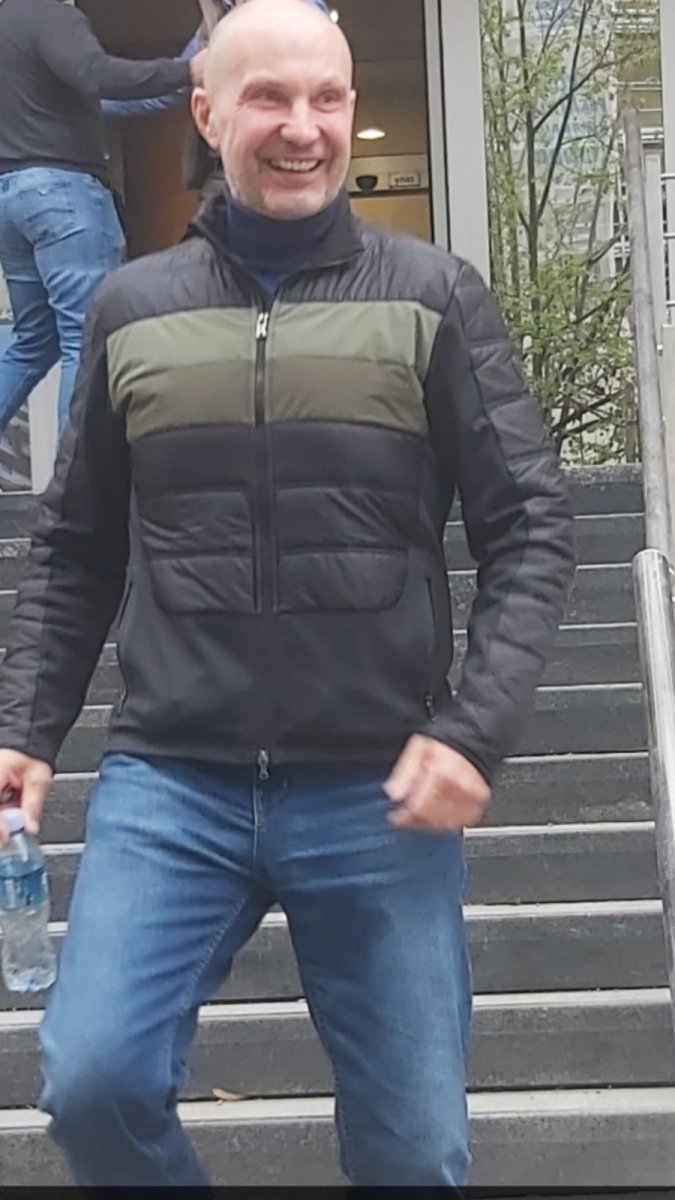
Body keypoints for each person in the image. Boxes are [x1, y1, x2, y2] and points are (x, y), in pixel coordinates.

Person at [0, 0, 575, 1187]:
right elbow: (76, 547)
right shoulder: (131, 310)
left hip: (377, 786)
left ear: (351, 110)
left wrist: (476, 729)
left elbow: (529, 525)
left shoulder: (434, 297)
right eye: (268, 96)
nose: (302, 126)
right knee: (94, 1084)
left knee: (415, 1156)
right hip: (173, 782)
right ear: (208, 112)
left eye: (326, 98)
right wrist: (25, 727)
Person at [0, 0, 207, 437]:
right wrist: (187, 70)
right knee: (87, 337)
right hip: (63, 195)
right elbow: (95, 74)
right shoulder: (51, 15)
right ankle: (73, 474)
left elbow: (105, 100)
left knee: (34, 342)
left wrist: (186, 64)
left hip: (10, 196)